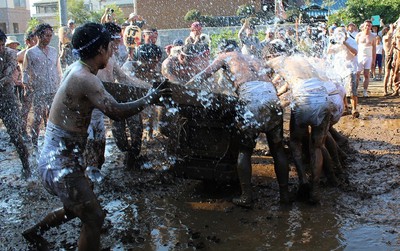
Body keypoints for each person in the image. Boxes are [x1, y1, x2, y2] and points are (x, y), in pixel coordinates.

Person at [22, 22, 170, 250]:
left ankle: (34, 232)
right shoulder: (85, 78)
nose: (112, 51)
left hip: (61, 157)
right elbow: (116, 112)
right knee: (94, 217)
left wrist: (149, 90)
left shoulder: (78, 69)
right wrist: (150, 98)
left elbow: (123, 89)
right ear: (100, 49)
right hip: (59, 163)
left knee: (76, 208)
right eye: (110, 46)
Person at [186, 40, 290, 207]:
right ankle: (285, 195)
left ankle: (246, 196)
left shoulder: (224, 56)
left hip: (251, 101)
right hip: (272, 99)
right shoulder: (253, 58)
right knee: (278, 150)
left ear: (223, 50)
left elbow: (202, 76)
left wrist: (184, 88)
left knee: (244, 150)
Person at [268, 55, 338, 203]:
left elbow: (262, 76)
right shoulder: (303, 60)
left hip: (303, 98)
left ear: (272, 54)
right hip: (322, 97)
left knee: (295, 142)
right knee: (317, 146)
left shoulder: (277, 60)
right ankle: (315, 189)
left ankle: (303, 179)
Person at [22, 23, 62, 147]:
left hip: (53, 89)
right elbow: (26, 70)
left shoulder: (54, 51)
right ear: (39, 36)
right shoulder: (31, 53)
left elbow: (58, 69)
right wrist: (26, 85)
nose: (49, 38)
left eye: (51, 36)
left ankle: (53, 140)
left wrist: (61, 83)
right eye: (46, 35)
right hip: (39, 90)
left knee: (54, 116)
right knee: (38, 117)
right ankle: (34, 142)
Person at [0, 29, 31, 178]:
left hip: (6, 98)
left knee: (15, 134)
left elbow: (7, 75)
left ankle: (26, 166)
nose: (0, 48)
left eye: (1, 45)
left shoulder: (10, 54)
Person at [327, 27, 359, 118]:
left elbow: (355, 53)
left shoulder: (351, 41)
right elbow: (328, 52)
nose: (339, 35)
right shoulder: (335, 42)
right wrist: (331, 43)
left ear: (345, 34)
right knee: (342, 91)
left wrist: (345, 43)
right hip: (339, 70)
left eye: (341, 33)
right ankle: (346, 108)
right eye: (338, 33)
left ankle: (354, 109)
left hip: (350, 69)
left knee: (352, 90)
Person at [17, 31, 37, 134]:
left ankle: (36, 131)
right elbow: (14, 67)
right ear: (27, 41)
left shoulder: (37, 52)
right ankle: (22, 131)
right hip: (26, 85)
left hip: (37, 85)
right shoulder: (21, 54)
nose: (36, 42)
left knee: (40, 109)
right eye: (34, 40)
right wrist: (19, 81)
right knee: (25, 109)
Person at [355, 19, 376, 97]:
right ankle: (355, 90)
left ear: (371, 26)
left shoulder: (373, 36)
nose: (368, 27)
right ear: (364, 26)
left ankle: (365, 91)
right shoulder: (359, 35)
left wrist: (374, 60)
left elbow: (374, 49)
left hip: (369, 57)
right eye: (366, 25)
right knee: (357, 74)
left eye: (369, 25)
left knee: (366, 74)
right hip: (359, 56)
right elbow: (355, 46)